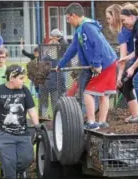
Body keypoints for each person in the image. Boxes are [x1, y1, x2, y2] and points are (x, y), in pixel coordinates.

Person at [57, 2, 117, 130]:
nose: (68, 21)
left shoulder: (87, 27)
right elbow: (72, 49)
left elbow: (99, 44)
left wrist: (96, 63)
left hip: (104, 63)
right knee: (103, 94)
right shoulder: (80, 30)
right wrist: (60, 64)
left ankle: (92, 123)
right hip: (108, 62)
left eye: (68, 18)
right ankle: (102, 122)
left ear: (73, 16)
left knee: (88, 93)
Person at [0, 64, 42, 179]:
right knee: (9, 163)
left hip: (23, 134)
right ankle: (10, 174)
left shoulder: (25, 91)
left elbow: (31, 110)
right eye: (20, 78)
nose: (23, 81)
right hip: (4, 134)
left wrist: (37, 126)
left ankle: (16, 171)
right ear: (11, 78)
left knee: (27, 159)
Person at [106, 4, 138, 122]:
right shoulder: (127, 29)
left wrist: (119, 77)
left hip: (135, 60)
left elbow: (123, 59)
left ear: (115, 17)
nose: (108, 21)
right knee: (126, 86)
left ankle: (136, 115)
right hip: (135, 58)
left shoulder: (123, 32)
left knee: (126, 86)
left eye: (109, 18)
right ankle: (135, 113)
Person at [39, 41, 66, 117]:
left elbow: (39, 73)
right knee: (55, 104)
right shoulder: (59, 60)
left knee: (44, 104)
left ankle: (42, 118)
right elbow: (62, 75)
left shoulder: (43, 59)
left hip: (44, 85)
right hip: (54, 86)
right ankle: (55, 119)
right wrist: (63, 87)